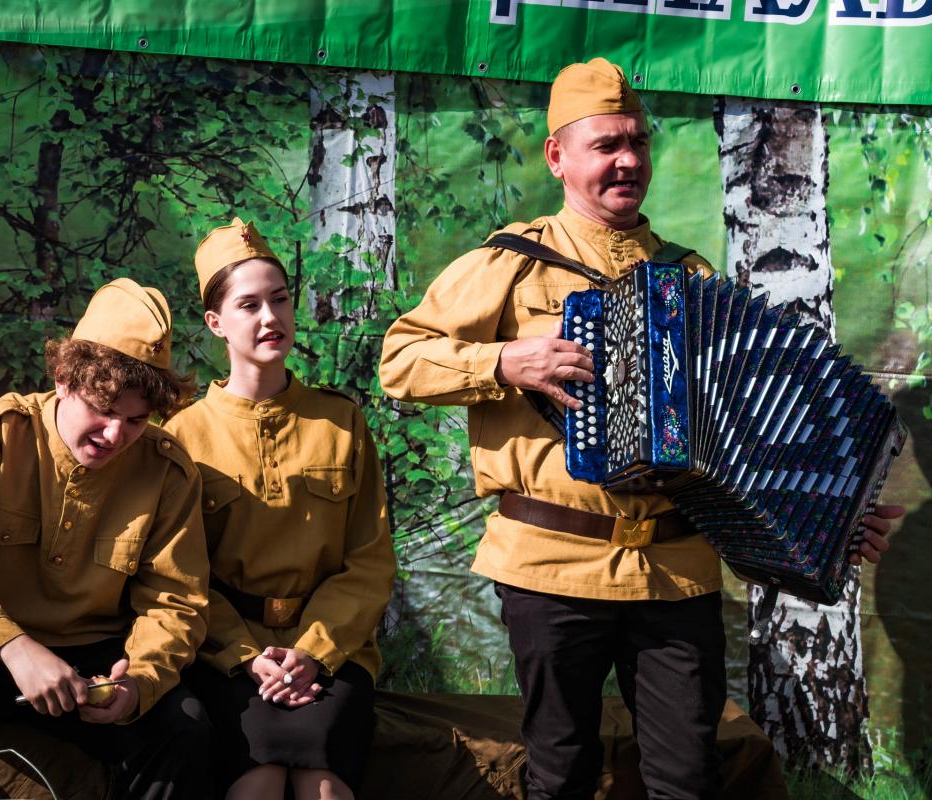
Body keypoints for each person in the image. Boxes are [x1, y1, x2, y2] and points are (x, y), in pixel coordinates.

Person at [378, 58, 902, 799]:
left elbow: (751, 435)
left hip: (674, 572)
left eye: (638, 143)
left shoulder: (693, 279)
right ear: (557, 157)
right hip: (551, 565)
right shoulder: (510, 264)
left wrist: (832, 516)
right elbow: (400, 361)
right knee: (559, 772)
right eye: (606, 145)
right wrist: (503, 360)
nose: (627, 161)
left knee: (688, 780)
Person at [0, 279, 214, 800]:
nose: (115, 435)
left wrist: (137, 684)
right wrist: (10, 645)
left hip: (94, 666)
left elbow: (176, 603)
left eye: (135, 420)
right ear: (63, 380)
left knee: (186, 726)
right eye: (103, 410)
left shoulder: (168, 471)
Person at [164, 219, 396, 800]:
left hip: (334, 647)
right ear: (216, 323)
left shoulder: (341, 421)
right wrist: (244, 656)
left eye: (280, 299)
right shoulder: (183, 437)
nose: (270, 317)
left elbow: (370, 562)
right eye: (249, 305)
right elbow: (178, 575)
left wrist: (314, 652)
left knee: (323, 782)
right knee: (259, 777)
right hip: (224, 651)